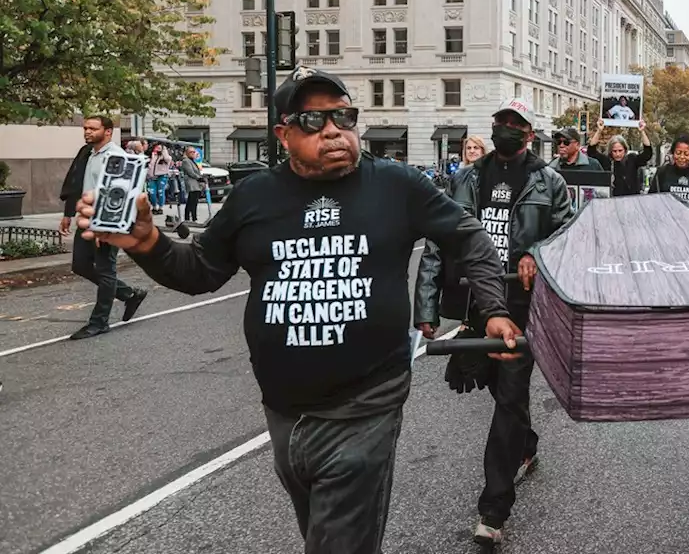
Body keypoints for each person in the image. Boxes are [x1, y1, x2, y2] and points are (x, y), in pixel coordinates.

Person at [74, 66, 520, 554]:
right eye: (314, 121)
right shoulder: (255, 196)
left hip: (366, 404)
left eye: (344, 117)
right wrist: (148, 243)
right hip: (283, 408)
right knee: (321, 531)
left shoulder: (397, 185)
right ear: (283, 134)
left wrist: (493, 308)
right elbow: (201, 271)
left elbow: (468, 237)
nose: (334, 130)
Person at [416, 97, 571, 547]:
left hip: (523, 308)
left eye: (515, 124)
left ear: (528, 133)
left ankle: (493, 509)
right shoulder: (465, 178)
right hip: (474, 306)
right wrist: (426, 306)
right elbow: (439, 241)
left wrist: (534, 254)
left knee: (510, 397)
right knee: (491, 386)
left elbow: (566, 236)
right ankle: (525, 443)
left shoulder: (550, 181)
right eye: (500, 121)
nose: (506, 128)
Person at [57, 115, 148, 340]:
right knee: (80, 265)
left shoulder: (117, 156)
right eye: (85, 128)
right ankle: (129, 294)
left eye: (93, 128)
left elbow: (120, 194)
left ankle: (99, 322)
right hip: (87, 220)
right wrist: (68, 214)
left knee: (106, 269)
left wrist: (107, 227)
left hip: (108, 223)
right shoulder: (86, 153)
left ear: (107, 131)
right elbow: (76, 182)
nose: (87, 132)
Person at [585, 118, 652, 196]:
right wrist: (599, 131)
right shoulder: (607, 161)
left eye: (620, 151)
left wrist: (642, 131)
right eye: (615, 151)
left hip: (631, 201)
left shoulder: (632, 159)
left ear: (625, 149)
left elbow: (647, 154)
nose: (617, 154)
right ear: (610, 151)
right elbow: (591, 151)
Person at [648, 134, 689, 211]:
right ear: (673, 153)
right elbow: (651, 200)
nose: (682, 157)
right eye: (678, 153)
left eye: (686, 154)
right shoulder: (662, 173)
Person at [179, 147, 204, 223]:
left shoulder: (193, 161)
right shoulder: (186, 161)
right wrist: (199, 178)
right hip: (191, 184)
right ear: (187, 153)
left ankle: (193, 217)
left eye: (194, 152)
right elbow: (190, 172)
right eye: (191, 152)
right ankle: (190, 218)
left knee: (194, 202)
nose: (193, 153)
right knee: (191, 202)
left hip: (196, 184)